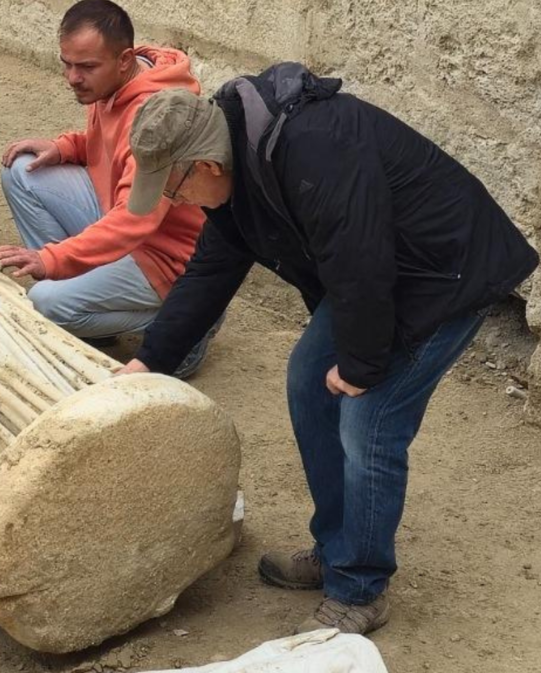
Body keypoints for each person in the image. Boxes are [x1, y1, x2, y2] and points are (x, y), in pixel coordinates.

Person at [118, 66, 538, 635]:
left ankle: (359, 589)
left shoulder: (315, 149)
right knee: (307, 379)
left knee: (369, 420)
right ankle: (337, 548)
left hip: (444, 273)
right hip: (378, 273)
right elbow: (214, 267)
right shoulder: (236, 161)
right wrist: (150, 360)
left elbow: (359, 258)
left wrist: (362, 366)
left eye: (173, 190)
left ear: (205, 166)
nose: (175, 202)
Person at [0, 0, 214, 375]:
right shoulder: (111, 83)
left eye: (86, 67)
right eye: (67, 63)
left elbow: (135, 219)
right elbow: (115, 150)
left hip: (165, 257)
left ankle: (187, 327)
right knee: (22, 170)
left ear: (124, 60)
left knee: (43, 301)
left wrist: (52, 259)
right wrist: (67, 147)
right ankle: (86, 302)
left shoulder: (157, 116)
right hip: (124, 219)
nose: (72, 78)